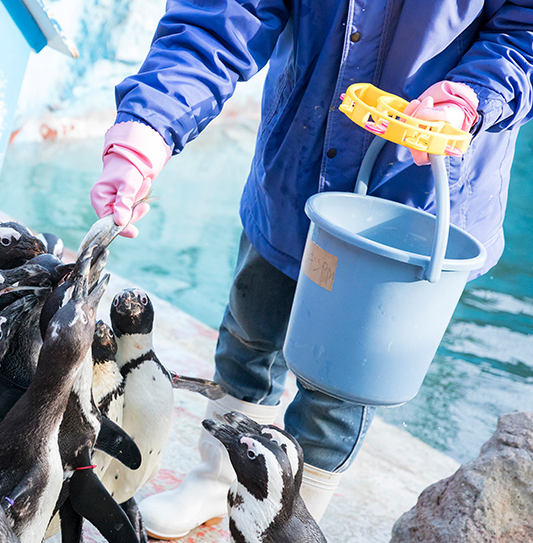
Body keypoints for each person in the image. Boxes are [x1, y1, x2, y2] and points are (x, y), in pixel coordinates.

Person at [89, 0, 533, 538]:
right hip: (295, 171)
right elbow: (227, 15)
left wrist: (471, 95)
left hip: (414, 203)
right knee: (249, 335)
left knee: (339, 388)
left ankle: (291, 517)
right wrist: (148, 130)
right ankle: (215, 478)